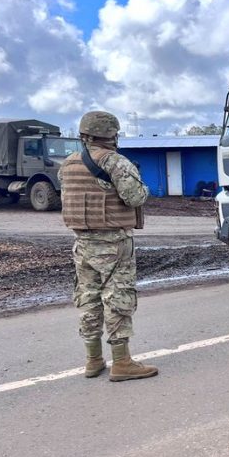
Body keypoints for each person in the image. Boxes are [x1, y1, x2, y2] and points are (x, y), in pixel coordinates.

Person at [59, 111, 158, 382]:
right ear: (111, 134)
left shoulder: (68, 163)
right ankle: (122, 362)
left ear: (84, 134)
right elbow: (135, 197)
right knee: (117, 297)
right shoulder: (115, 161)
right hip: (113, 242)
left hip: (82, 242)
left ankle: (92, 360)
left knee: (88, 297)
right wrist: (144, 187)